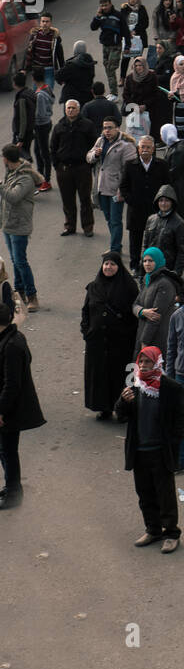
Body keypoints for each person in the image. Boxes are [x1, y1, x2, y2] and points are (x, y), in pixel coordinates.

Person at [115, 347, 184, 552]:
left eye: (148, 362)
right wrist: (123, 401)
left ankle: (171, 533)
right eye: (142, 362)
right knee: (144, 493)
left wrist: (173, 444)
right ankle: (153, 529)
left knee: (165, 495)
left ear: (157, 363)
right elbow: (121, 415)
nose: (144, 366)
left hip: (160, 451)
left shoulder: (171, 388)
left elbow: (180, 419)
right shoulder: (135, 385)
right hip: (139, 451)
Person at [80, 251, 138, 420]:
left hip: (121, 343)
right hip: (97, 342)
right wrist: (87, 331)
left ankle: (122, 410)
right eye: (106, 264)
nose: (108, 267)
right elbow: (86, 311)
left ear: (118, 267)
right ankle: (103, 408)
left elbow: (133, 312)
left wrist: (127, 332)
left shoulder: (129, 287)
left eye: (112, 264)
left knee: (120, 376)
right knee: (100, 376)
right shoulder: (94, 286)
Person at [0, 305, 45, 509]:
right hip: (9, 406)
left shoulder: (11, 346)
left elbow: (12, 384)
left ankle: (14, 493)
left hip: (10, 409)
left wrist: (1, 411)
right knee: (5, 450)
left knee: (8, 450)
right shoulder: (12, 338)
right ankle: (11, 487)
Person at [0, 144, 43, 315]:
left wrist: (0, 186)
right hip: (8, 224)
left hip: (19, 225)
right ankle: (19, 291)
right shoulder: (11, 172)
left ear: (6, 158)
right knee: (15, 259)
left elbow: (13, 197)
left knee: (20, 261)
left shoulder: (25, 178)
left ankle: (32, 296)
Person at [120, 135, 171, 275]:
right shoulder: (130, 165)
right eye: (143, 147)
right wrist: (131, 200)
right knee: (135, 240)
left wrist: (162, 203)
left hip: (155, 210)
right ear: (138, 149)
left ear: (153, 149)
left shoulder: (162, 165)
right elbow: (124, 187)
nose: (145, 150)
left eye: (148, 147)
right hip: (136, 210)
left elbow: (167, 186)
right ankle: (135, 265)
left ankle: (155, 266)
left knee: (155, 239)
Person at [87, 118, 137, 254]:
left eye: (110, 128)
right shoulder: (100, 141)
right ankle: (116, 245)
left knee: (115, 220)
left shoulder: (126, 145)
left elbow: (130, 170)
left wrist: (122, 190)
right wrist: (94, 155)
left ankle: (115, 248)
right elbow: (88, 156)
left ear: (117, 128)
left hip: (116, 189)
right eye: (105, 128)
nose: (107, 131)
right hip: (101, 187)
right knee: (108, 217)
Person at [50, 100, 98, 236]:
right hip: (64, 169)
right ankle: (70, 226)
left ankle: (88, 227)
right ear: (65, 110)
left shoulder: (87, 125)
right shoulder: (59, 126)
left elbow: (94, 145)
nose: (70, 110)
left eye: (73, 108)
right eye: (68, 108)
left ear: (78, 109)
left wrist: (90, 164)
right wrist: (57, 165)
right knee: (67, 200)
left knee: (85, 199)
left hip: (82, 168)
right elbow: (53, 147)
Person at [90, 0, 130, 97]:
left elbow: (125, 31)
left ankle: (114, 93)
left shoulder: (118, 15)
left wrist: (127, 46)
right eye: (102, 6)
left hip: (115, 46)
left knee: (111, 68)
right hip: (105, 46)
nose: (104, 7)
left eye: (106, 5)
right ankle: (113, 92)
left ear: (110, 4)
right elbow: (93, 27)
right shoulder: (101, 16)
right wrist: (97, 17)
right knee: (107, 69)